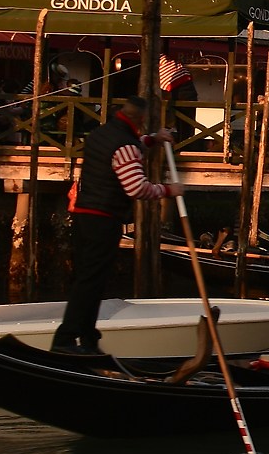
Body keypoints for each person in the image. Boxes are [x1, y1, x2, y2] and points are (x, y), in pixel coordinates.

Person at [55, 94, 180, 355]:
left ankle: (88, 338)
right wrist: (169, 190)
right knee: (91, 280)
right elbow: (137, 188)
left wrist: (153, 140)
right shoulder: (126, 146)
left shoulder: (100, 134)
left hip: (82, 214)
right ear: (141, 119)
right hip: (102, 217)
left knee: (87, 277)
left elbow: (126, 148)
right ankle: (65, 340)